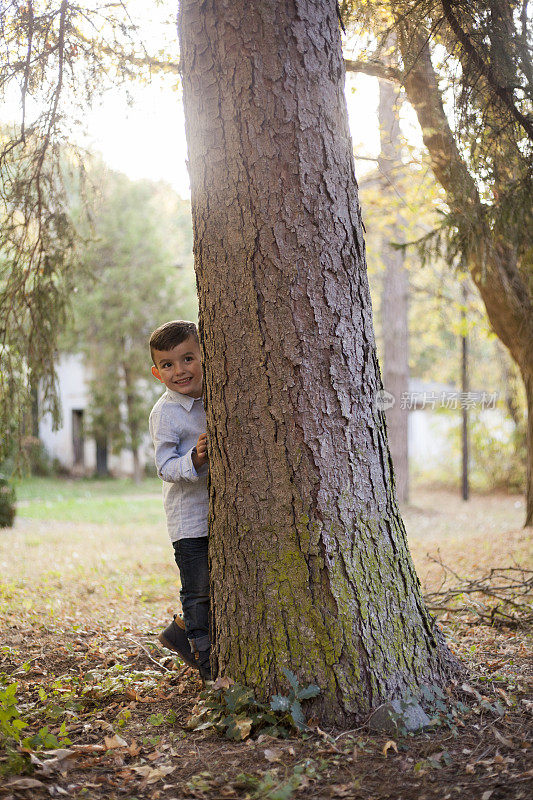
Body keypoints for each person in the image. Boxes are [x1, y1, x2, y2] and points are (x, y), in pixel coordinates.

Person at [148, 319, 211, 681]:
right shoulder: (166, 413)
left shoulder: (215, 395)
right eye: (168, 365)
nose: (180, 371)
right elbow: (164, 465)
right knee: (198, 590)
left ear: (204, 356)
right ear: (158, 373)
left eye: (187, 359)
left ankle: (178, 630)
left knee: (219, 584)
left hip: (217, 513)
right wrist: (195, 460)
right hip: (188, 520)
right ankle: (205, 661)